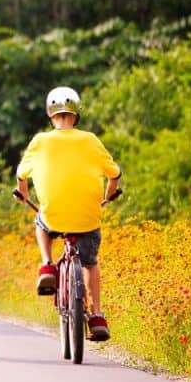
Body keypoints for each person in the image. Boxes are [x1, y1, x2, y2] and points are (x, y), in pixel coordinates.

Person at [15, 86, 121, 340]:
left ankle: (47, 266)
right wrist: (108, 196)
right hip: (88, 217)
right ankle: (96, 315)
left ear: (51, 114)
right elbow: (114, 175)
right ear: (77, 113)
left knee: (41, 221)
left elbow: (21, 176)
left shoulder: (40, 141)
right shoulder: (91, 140)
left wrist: (24, 194)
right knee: (90, 263)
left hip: (53, 215)